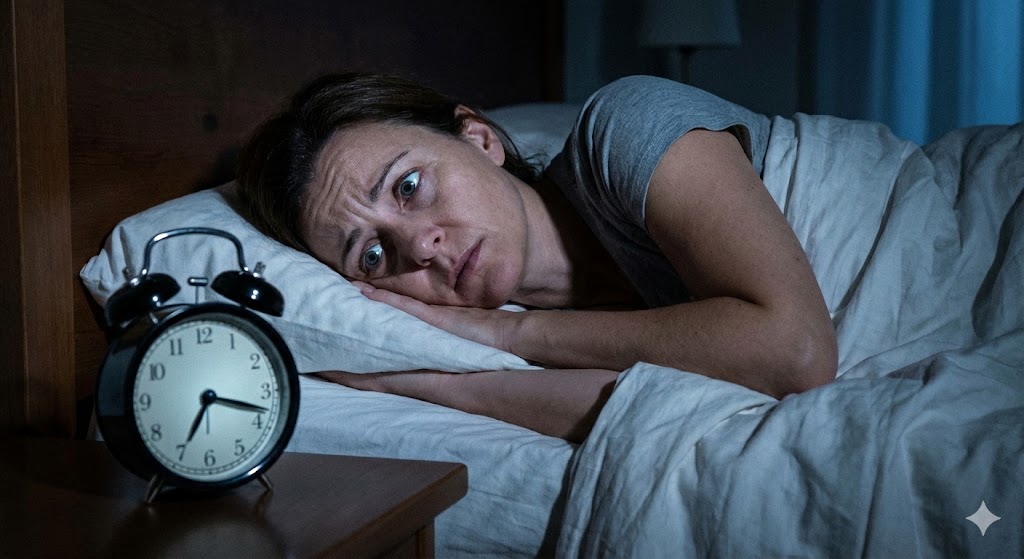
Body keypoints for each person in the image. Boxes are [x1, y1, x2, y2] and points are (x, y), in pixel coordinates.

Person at [237, 72, 838, 442]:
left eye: (410, 186)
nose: (418, 247)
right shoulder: (503, 329)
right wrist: (427, 382)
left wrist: (510, 333)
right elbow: (644, 406)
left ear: (480, 139)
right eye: (372, 254)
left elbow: (794, 354)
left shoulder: (625, 127)